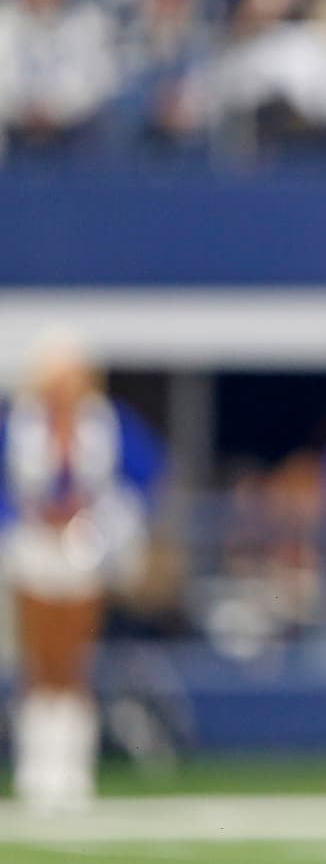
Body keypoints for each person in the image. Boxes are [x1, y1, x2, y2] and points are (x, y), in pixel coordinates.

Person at [0, 331, 164, 812]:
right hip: (33, 546)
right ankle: (37, 767)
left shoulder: (107, 424)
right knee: (39, 663)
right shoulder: (20, 426)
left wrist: (111, 518)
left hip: (84, 547)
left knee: (74, 662)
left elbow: (149, 471)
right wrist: (20, 520)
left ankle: (72, 767)